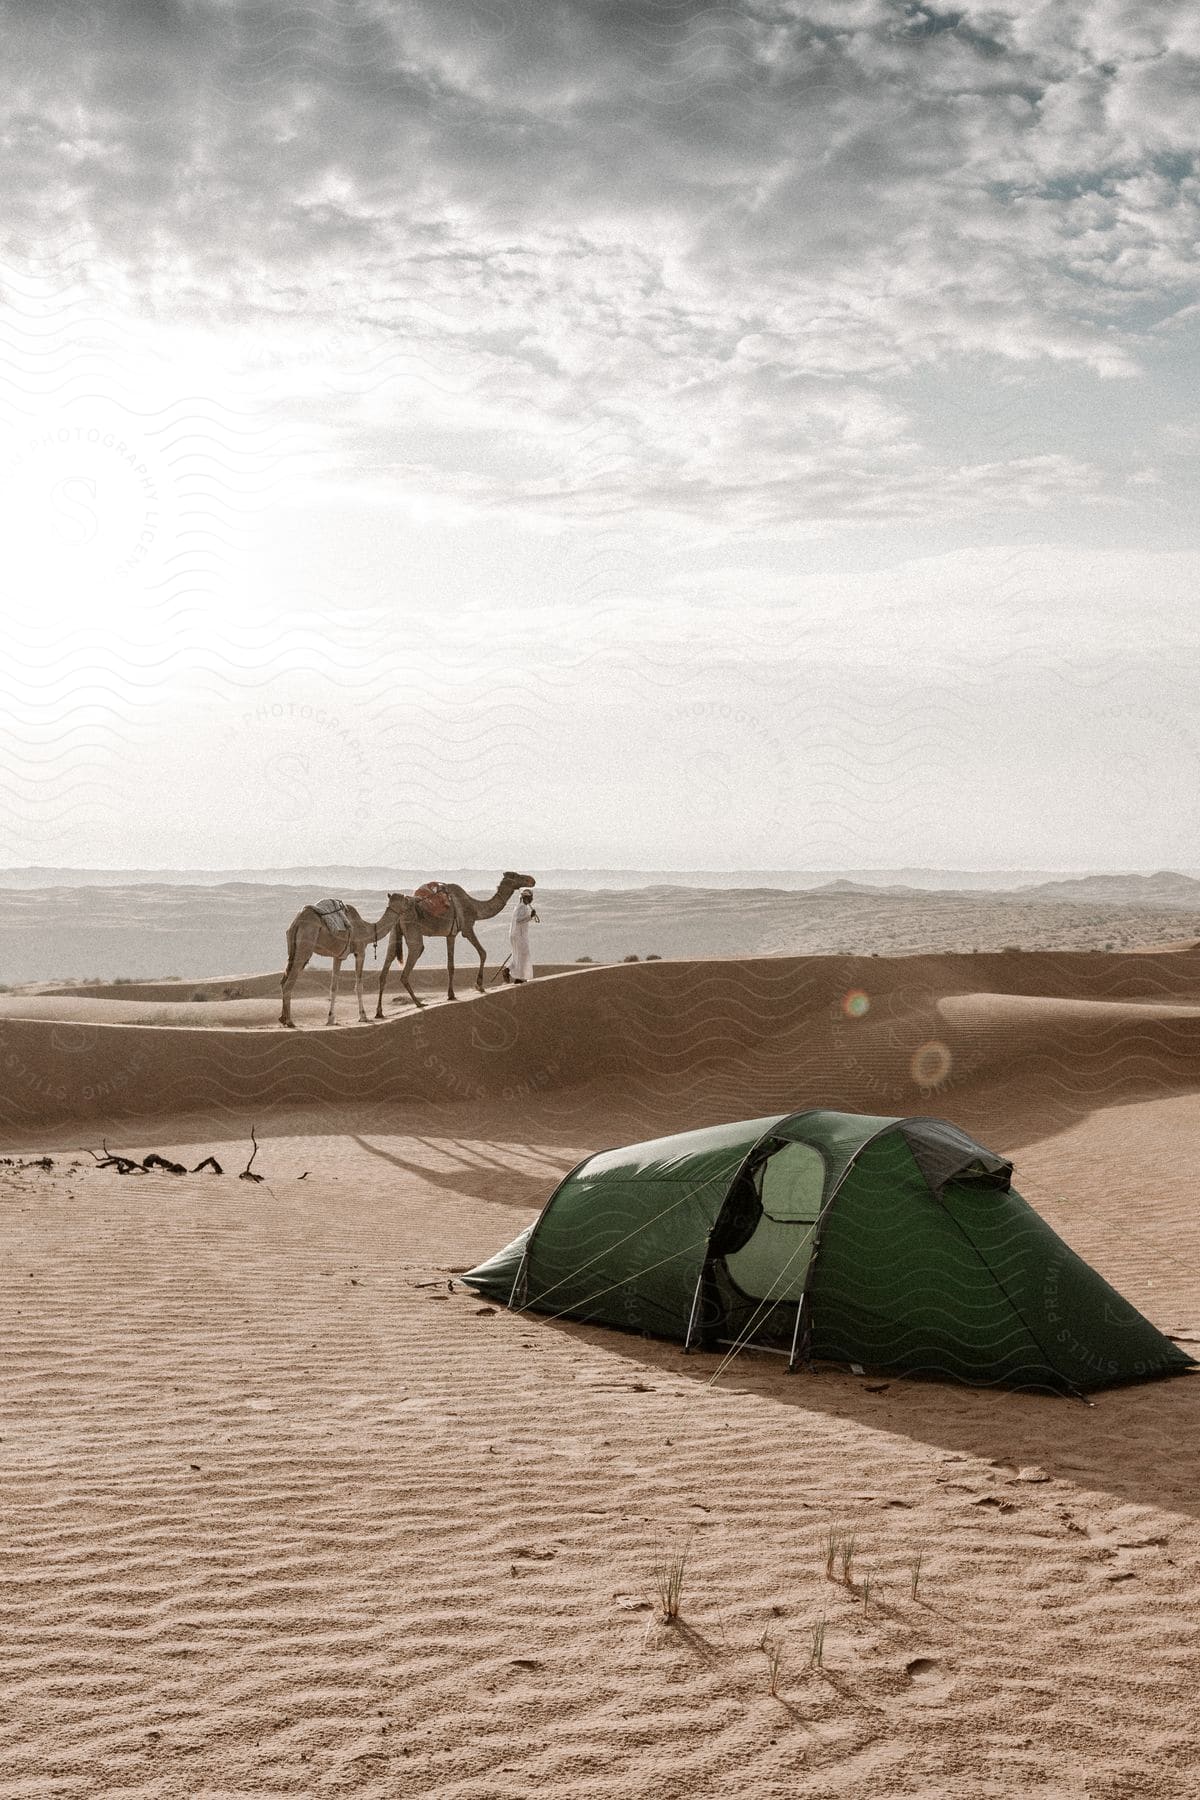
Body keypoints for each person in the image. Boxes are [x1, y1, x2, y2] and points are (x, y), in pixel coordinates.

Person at [508, 888, 538, 984]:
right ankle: (519, 977)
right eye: (530, 898)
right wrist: (530, 916)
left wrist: (530, 916)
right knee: (522, 956)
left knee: (518, 956)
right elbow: (519, 920)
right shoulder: (522, 907)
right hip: (519, 936)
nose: (531, 899)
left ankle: (508, 970)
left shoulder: (519, 907)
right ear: (526, 898)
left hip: (517, 935)